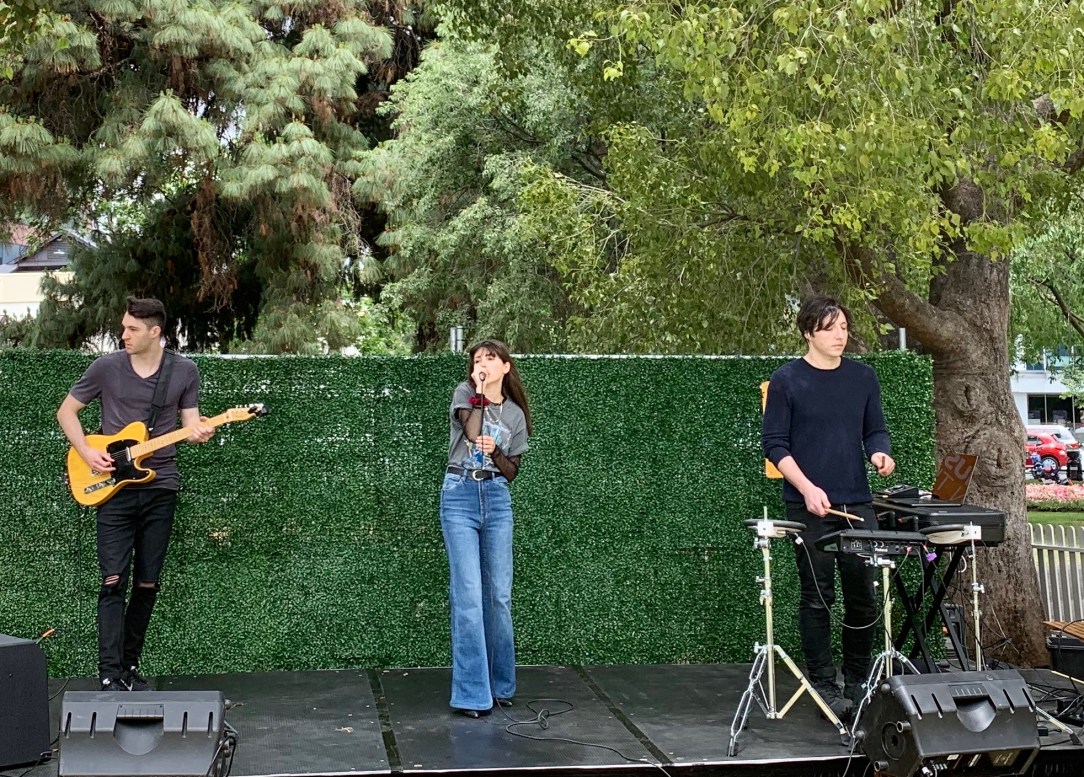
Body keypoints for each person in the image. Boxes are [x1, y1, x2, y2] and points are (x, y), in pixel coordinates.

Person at [57, 296, 214, 691]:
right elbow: (66, 412)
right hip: (113, 488)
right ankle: (109, 673)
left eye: (132, 329)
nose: (123, 334)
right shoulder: (106, 367)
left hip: (161, 486)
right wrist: (86, 451)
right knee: (113, 581)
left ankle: (128, 667)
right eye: (123, 327)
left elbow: (190, 426)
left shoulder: (184, 371)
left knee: (147, 583)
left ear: (154, 332)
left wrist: (201, 433)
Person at [761, 295, 895, 719]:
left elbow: (875, 430)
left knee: (864, 597)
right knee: (818, 597)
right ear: (808, 332)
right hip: (808, 506)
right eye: (830, 328)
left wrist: (880, 453)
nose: (840, 335)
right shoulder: (786, 380)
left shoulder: (863, 377)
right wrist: (806, 488)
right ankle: (823, 684)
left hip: (856, 501)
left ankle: (857, 681)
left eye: (844, 327)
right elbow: (774, 444)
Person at [439, 339, 531, 717]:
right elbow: (472, 430)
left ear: (505, 367)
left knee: (499, 598)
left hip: (496, 499)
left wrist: (495, 451)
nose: (483, 363)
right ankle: (472, 695)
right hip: (459, 495)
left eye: (491, 358)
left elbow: (511, 472)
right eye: (478, 359)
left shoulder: (515, 415)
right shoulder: (465, 393)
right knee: (468, 598)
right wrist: (479, 391)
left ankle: (501, 686)